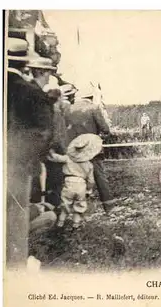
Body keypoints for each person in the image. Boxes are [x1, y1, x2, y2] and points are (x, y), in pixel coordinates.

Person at [6, 38, 56, 267]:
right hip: (16, 165)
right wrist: (32, 160)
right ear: (25, 65)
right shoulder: (29, 92)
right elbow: (43, 133)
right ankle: (15, 268)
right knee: (15, 219)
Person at [65, 84, 116, 214]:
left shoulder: (68, 109)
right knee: (100, 179)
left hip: (74, 152)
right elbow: (106, 130)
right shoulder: (93, 108)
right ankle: (109, 208)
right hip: (92, 151)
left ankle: (75, 213)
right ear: (91, 96)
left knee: (76, 180)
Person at [47, 133, 102, 228]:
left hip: (69, 182)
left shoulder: (68, 159)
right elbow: (91, 181)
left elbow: (56, 158)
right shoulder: (89, 165)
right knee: (79, 206)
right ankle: (75, 225)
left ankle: (60, 223)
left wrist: (51, 152)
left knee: (65, 204)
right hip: (81, 185)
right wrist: (88, 191)